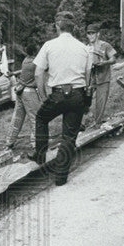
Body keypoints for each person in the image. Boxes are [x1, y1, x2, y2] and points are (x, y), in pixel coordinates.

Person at [28, 11, 92, 186]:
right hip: (78, 93)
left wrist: (42, 95)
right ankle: (61, 177)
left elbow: (38, 73)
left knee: (41, 117)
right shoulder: (84, 48)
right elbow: (88, 77)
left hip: (57, 94)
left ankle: (40, 155)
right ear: (73, 28)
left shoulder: (49, 45)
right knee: (69, 136)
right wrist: (85, 99)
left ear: (57, 26)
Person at [5, 45, 40, 150]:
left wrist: (13, 73)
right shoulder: (35, 62)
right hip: (29, 92)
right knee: (35, 118)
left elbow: (23, 71)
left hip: (20, 90)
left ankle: (9, 142)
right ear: (35, 51)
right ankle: (35, 143)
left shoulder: (26, 60)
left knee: (17, 118)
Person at [84, 23, 117, 127]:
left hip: (103, 76)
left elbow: (113, 59)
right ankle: (86, 120)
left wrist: (104, 63)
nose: (90, 36)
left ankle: (97, 123)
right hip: (90, 78)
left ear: (98, 34)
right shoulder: (86, 47)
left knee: (101, 101)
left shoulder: (105, 45)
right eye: (88, 33)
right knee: (85, 100)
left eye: (92, 33)